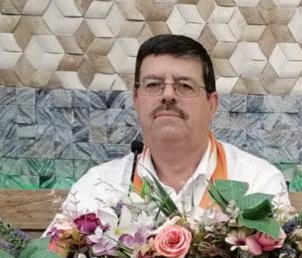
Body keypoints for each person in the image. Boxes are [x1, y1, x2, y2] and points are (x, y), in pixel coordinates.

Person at [56, 34, 289, 216]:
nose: (167, 95)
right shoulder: (98, 187)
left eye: (185, 86)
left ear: (211, 104)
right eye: (153, 85)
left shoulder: (257, 182)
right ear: (136, 99)